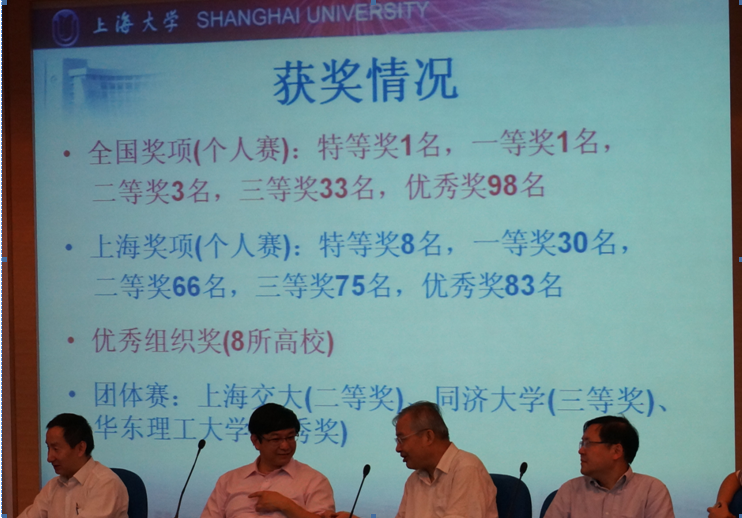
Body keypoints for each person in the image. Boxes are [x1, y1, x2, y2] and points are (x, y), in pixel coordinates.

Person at [201, 403, 335, 518]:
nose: (285, 446)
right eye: (276, 439)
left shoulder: (314, 481)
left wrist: (286, 505)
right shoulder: (229, 481)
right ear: (255, 441)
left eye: (290, 437)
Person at [544, 415, 674, 518]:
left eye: (588, 444)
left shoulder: (651, 490)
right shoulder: (570, 489)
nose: (581, 451)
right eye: (582, 443)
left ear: (616, 451)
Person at [393, 401, 498, 518]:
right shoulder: (413, 480)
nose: (398, 448)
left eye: (402, 439)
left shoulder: (466, 468)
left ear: (428, 437)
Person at [18, 413, 129, 518]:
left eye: (56, 449)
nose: (49, 458)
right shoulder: (52, 486)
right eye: (48, 448)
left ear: (80, 448)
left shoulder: (106, 483)